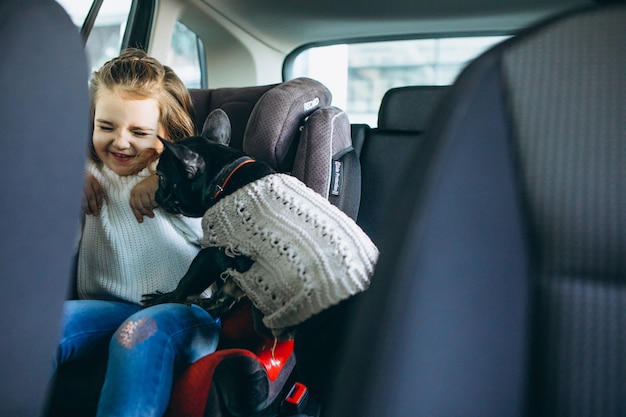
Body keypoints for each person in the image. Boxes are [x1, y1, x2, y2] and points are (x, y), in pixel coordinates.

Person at [54, 48, 220, 417]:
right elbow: (57, 247)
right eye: (106, 126)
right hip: (110, 307)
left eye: (140, 132)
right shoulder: (86, 177)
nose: (121, 142)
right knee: (47, 327)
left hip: (185, 310)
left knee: (140, 335)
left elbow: (217, 236)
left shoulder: (187, 176)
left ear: (167, 133)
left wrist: (167, 185)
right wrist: (66, 186)